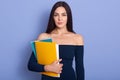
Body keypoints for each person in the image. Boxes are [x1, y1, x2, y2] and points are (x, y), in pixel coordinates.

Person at [28, 1, 84, 80]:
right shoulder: (43, 37)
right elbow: (31, 65)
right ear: (52, 17)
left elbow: (80, 68)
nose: (60, 18)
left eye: (63, 15)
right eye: (56, 15)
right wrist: (48, 68)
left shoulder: (77, 38)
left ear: (68, 17)